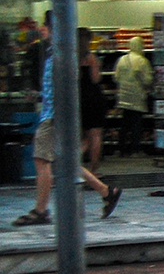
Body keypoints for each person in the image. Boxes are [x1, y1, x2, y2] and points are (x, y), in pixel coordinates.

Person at [13, 12, 121, 226]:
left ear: (54, 29)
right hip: (55, 114)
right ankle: (107, 192)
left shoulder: (62, 54)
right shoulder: (58, 52)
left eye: (45, 26)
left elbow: (65, 88)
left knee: (41, 160)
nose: (42, 29)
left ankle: (41, 210)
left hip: (53, 117)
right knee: (66, 162)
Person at [114, 34, 153, 157]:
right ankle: (135, 149)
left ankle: (122, 149)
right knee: (136, 124)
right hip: (137, 97)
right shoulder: (142, 61)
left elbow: (116, 77)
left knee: (125, 124)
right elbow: (147, 80)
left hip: (124, 96)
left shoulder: (122, 60)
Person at [78, 27, 108, 174]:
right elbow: (95, 79)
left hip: (79, 99)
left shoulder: (73, 58)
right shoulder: (91, 58)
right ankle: (94, 170)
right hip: (94, 98)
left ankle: (74, 161)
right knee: (95, 135)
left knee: (84, 136)